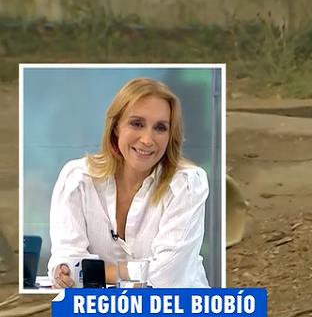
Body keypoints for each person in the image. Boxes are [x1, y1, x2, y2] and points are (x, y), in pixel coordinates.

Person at [47, 77, 210, 289]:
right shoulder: (77, 179)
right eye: (137, 124)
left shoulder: (187, 184)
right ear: (116, 127)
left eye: (160, 128)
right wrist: (64, 272)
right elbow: (68, 262)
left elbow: (167, 279)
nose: (147, 139)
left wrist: (95, 273)